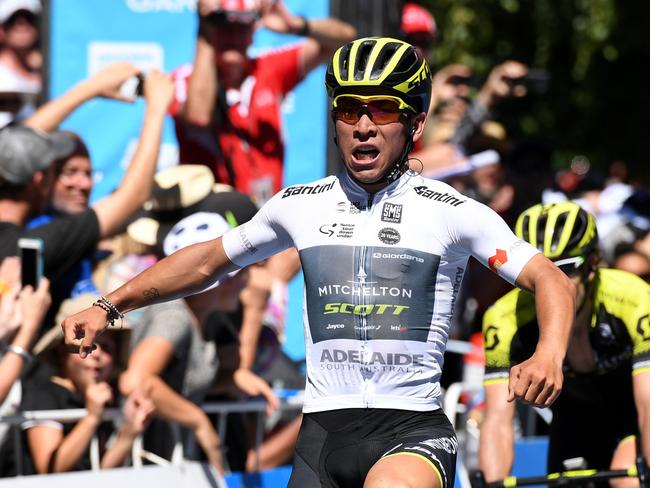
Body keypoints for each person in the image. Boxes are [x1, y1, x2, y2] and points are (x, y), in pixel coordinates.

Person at [61, 37, 575, 488]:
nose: (364, 126)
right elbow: (204, 264)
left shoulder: (453, 211)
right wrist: (108, 306)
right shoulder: (300, 204)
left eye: (382, 109)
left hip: (411, 429)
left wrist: (549, 353)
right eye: (349, 110)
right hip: (323, 434)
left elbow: (548, 277)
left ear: (416, 123)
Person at [479, 202, 650, 484]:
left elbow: (647, 403)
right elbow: (497, 420)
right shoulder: (504, 317)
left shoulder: (634, 299)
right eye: (540, 272)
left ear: (594, 263)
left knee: (627, 479)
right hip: (574, 420)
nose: (553, 283)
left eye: (566, 268)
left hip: (634, 412)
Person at [0, 64, 173, 319]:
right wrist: (157, 110)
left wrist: (90, 88)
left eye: (88, 174)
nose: (81, 183)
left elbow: (13, 151)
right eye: (65, 172)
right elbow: (132, 197)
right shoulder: (35, 243)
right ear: (40, 180)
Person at [173, 0, 356, 203]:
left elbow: (346, 41)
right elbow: (198, 116)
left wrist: (297, 25)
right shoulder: (185, 79)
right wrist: (205, 29)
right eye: (223, 26)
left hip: (262, 213)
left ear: (253, 31)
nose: (233, 36)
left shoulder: (267, 69)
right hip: (206, 216)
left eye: (241, 26)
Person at [15, 294, 154, 474]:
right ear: (62, 351)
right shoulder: (43, 394)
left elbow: (100, 471)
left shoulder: (102, 398)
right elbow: (50, 470)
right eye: (87, 343)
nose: (97, 354)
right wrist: (91, 418)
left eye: (107, 347)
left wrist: (128, 433)